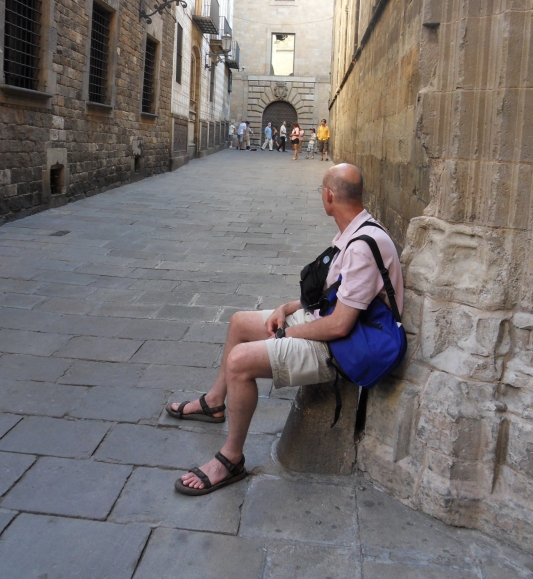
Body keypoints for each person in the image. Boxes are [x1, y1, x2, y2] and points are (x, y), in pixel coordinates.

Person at [167, 163, 403, 495]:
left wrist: (286, 334)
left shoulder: (363, 246)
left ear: (328, 196)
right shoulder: (358, 229)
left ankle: (231, 459)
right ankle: (215, 402)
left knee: (239, 361)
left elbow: (339, 326)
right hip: (334, 325)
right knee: (239, 322)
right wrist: (289, 308)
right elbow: (338, 296)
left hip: (344, 349)